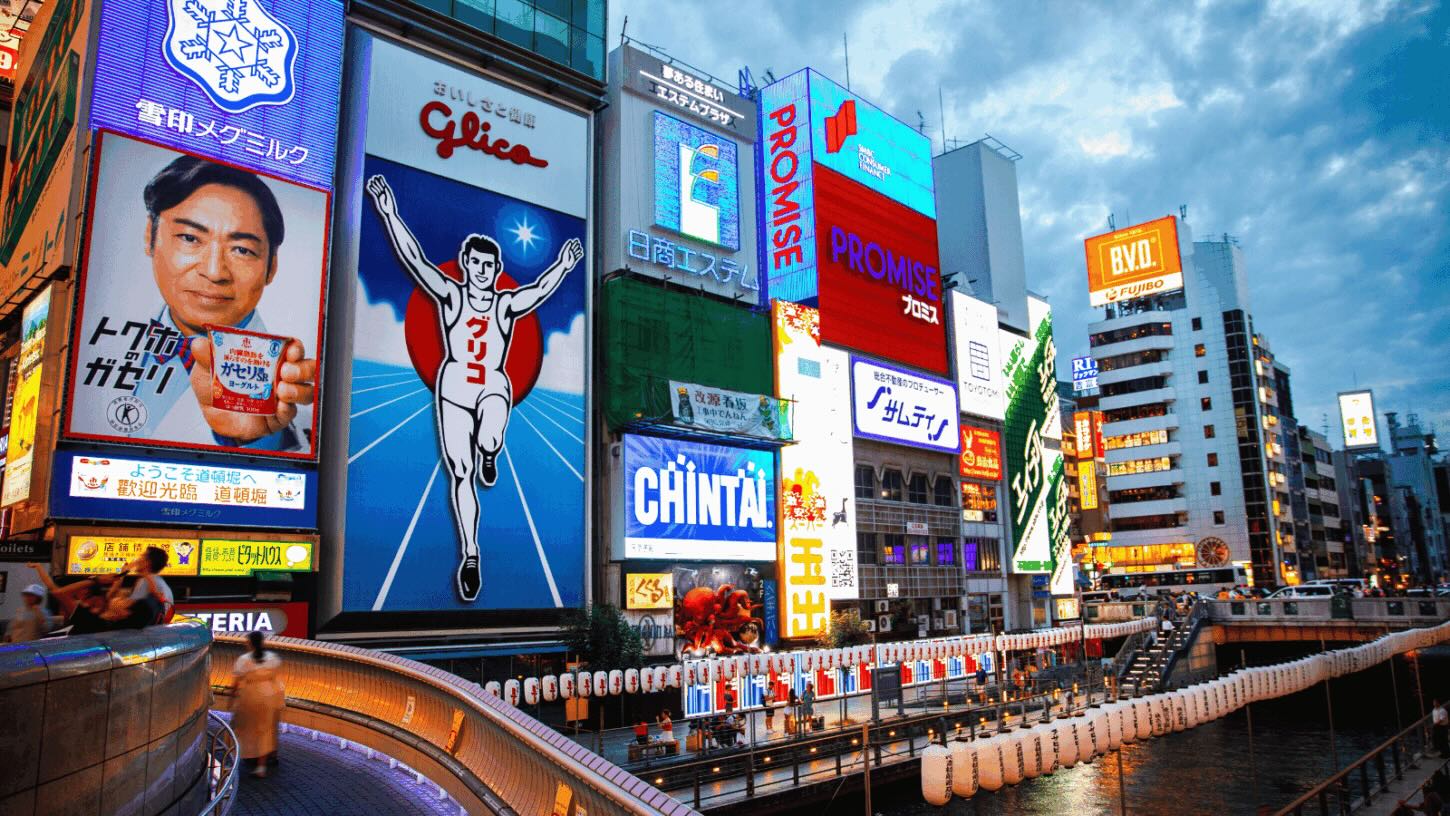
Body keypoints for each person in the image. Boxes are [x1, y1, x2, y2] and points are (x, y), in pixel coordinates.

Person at [366, 174, 583, 602]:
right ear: (466, 265)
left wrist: (563, 264)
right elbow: (415, 261)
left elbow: (538, 291)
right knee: (460, 474)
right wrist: (389, 213)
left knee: (492, 432)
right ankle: (470, 553)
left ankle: (490, 450)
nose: (482, 272)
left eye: (489, 266)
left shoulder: (504, 304)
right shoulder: (450, 295)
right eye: (476, 264)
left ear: (496, 270)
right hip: (454, 386)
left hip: (493, 385)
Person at [74, 154, 318, 451]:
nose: (214, 272)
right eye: (190, 238)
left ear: (272, 266)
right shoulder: (90, 342)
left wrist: (252, 439)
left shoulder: (296, 384)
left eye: (241, 250)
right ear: (150, 235)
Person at [232, 631, 286, 777]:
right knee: (265, 729)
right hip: (269, 696)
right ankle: (262, 766)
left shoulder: (243, 660)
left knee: (243, 728)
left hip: (250, 696)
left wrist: (231, 699)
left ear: (249, 643)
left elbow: (236, 683)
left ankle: (238, 759)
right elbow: (277, 678)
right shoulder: (272, 658)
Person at [129, 546, 174, 623]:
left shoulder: (145, 582)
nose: (137, 560)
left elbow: (127, 609)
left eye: (141, 556)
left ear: (147, 563)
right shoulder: (161, 582)